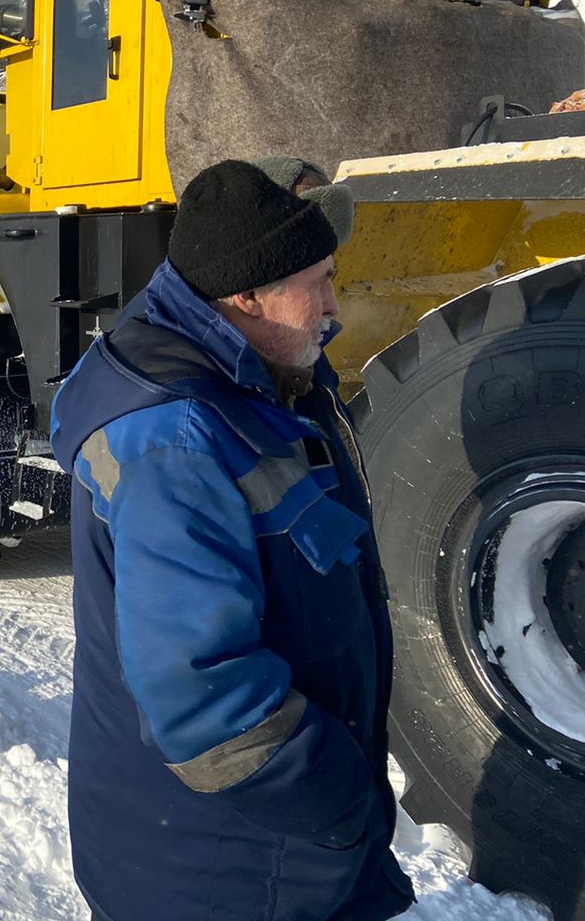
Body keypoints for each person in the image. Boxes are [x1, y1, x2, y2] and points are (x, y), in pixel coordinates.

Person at [48, 159, 415, 921]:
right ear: (244, 294)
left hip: (272, 848)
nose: (334, 306)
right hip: (230, 870)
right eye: (316, 283)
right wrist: (344, 802)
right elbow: (205, 703)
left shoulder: (255, 375)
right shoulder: (175, 441)